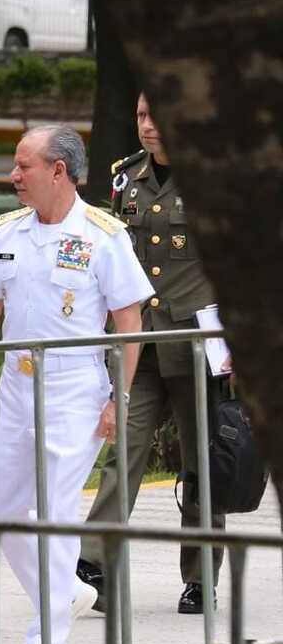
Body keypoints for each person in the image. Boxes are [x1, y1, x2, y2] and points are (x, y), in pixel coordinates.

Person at [0, 125, 154, 644]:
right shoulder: (11, 230)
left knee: (54, 516)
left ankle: (44, 643)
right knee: (0, 513)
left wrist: (120, 396)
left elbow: (128, 321)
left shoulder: (103, 235)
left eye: (23, 166)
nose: (13, 176)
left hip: (75, 389)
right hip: (17, 387)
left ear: (58, 172)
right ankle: (67, 590)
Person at [76, 93, 223, 615]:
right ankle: (94, 562)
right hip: (140, 343)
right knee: (124, 452)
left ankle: (200, 576)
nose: (148, 125)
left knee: (202, 463)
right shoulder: (124, 177)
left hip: (196, 342)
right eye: (140, 114)